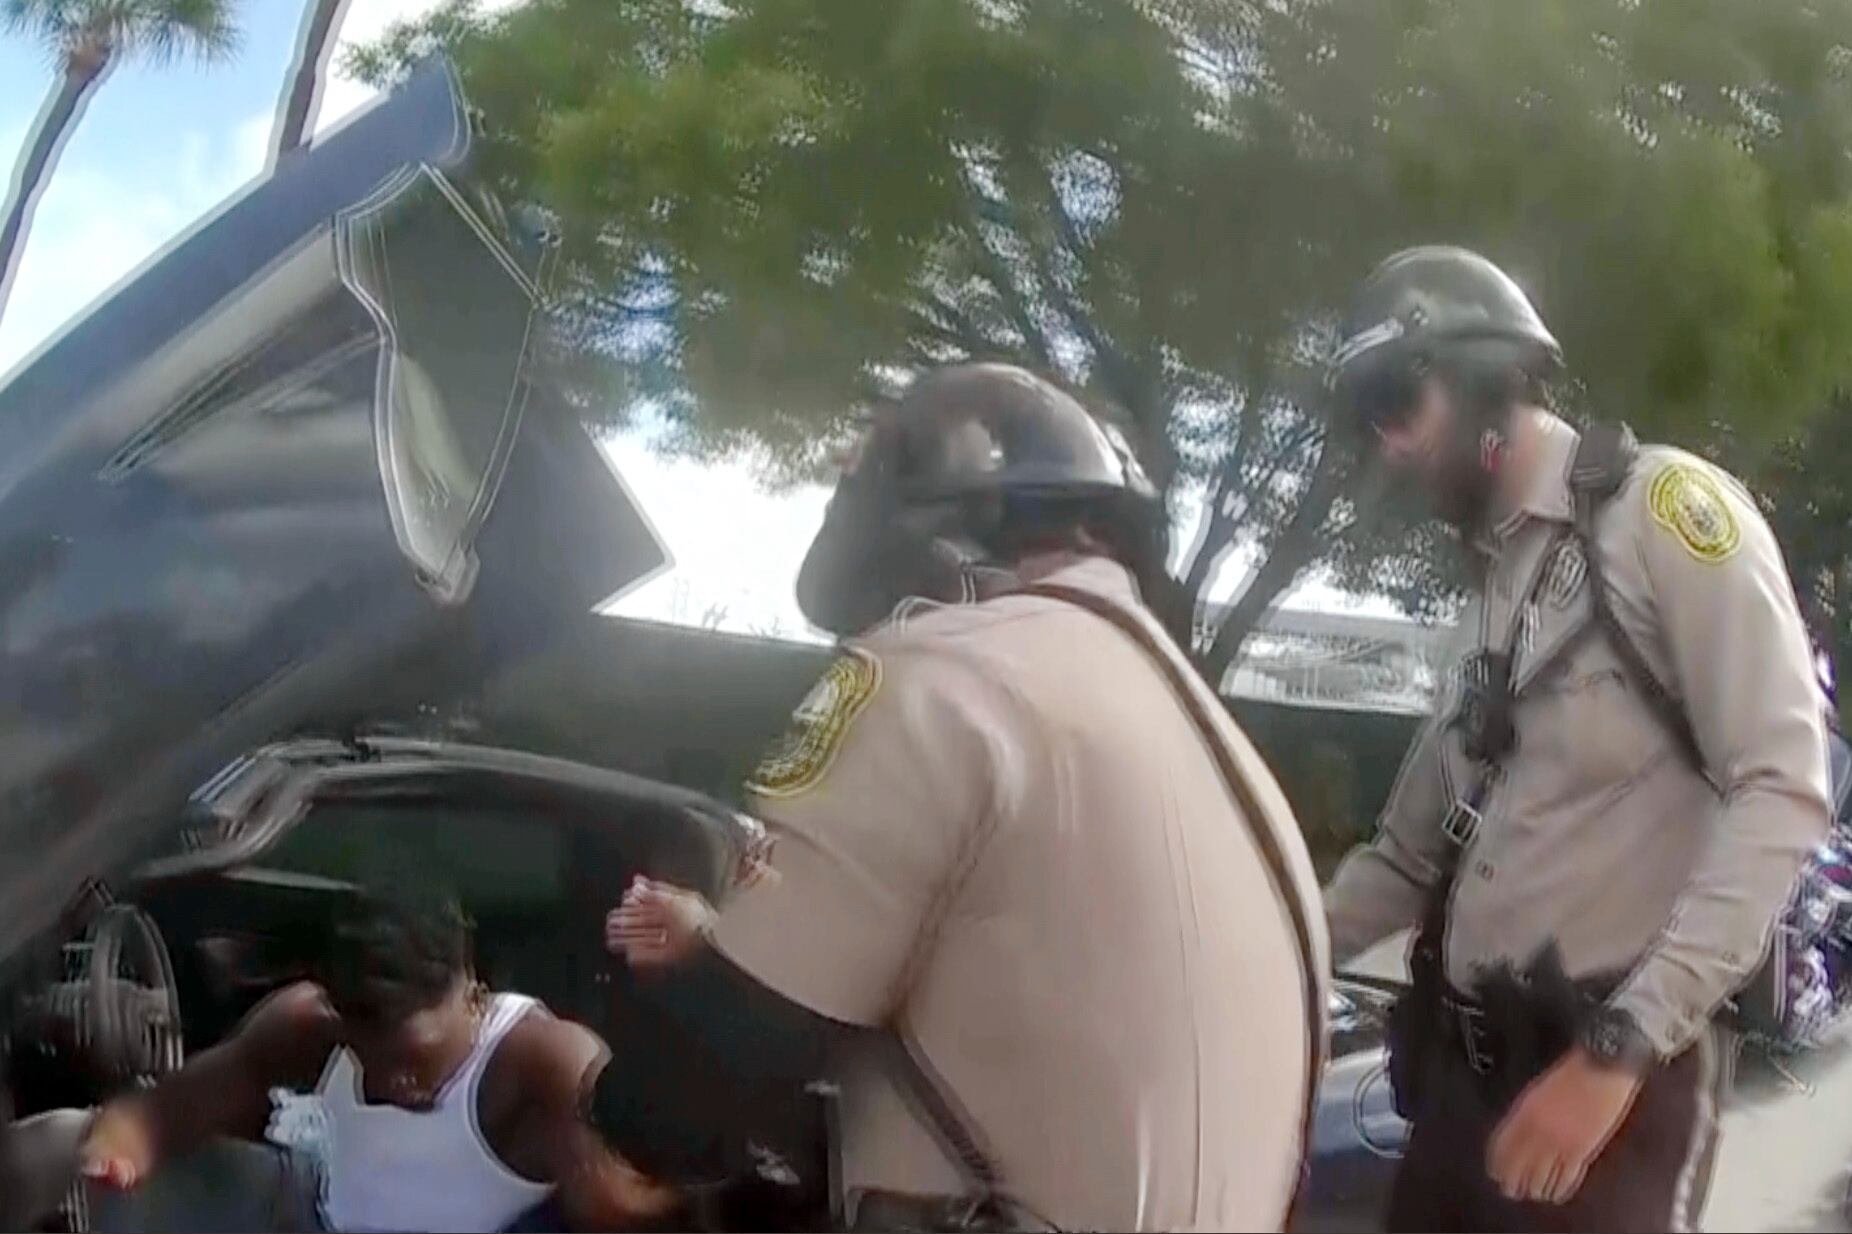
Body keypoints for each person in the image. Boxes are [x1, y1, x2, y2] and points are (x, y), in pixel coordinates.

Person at [588, 362, 1329, 1232]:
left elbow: (689, 1099)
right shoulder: (1225, 755)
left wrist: (571, 1083)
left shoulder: (938, 678)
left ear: (916, 547)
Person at [1321, 245, 1832, 1232]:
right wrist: (1271, 954)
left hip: (1605, 1097)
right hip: (1456, 1088)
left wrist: (1616, 1051)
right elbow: (1405, 857)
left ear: (1482, 374)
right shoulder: (1488, 593)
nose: (1388, 443)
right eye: (1367, 418)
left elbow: (1782, 787)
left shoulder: (1661, 516)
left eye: (1396, 401)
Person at [78, 886, 679, 1233]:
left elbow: (634, 1210)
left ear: (471, 992)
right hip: (313, 1209)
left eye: (419, 1058)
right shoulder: (308, 1027)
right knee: (69, 1146)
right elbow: (159, 1114)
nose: (397, 1081)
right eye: (372, 1058)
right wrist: (116, 1150)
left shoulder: (544, 1065)